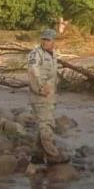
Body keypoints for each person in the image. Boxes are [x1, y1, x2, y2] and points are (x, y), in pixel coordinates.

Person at [27, 29, 67, 166]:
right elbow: (33, 71)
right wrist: (40, 88)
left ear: (54, 41)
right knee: (46, 124)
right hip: (40, 95)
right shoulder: (35, 54)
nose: (45, 42)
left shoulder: (53, 54)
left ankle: (37, 155)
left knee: (44, 123)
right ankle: (52, 155)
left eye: (48, 40)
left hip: (49, 96)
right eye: (43, 39)